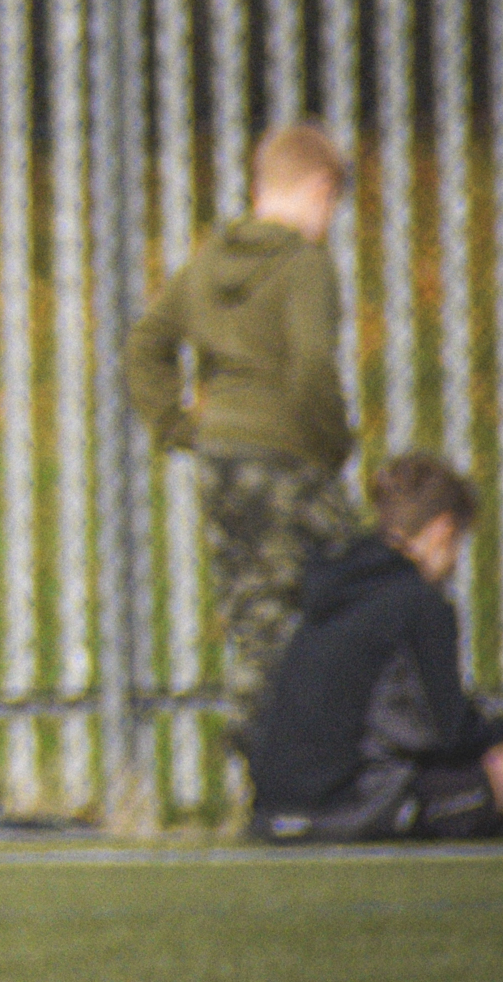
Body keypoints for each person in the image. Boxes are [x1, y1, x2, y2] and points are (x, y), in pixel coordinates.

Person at [126, 122, 366, 745]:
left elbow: (145, 345)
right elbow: (313, 362)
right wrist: (332, 443)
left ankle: (258, 736)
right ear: (319, 190)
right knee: (343, 588)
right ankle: (282, 741)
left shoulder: (208, 263)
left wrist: (180, 427)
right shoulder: (305, 265)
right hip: (287, 455)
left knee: (250, 603)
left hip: (222, 458)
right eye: (332, 203)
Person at [248, 455, 503, 842]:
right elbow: (450, 735)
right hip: (354, 812)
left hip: (273, 815)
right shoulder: (419, 604)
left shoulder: (329, 597)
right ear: (443, 530)